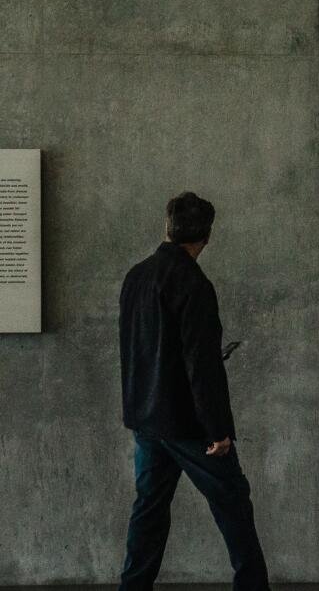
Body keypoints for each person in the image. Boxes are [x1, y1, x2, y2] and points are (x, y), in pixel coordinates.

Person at [118, 192, 269, 590]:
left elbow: (138, 348)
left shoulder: (136, 276)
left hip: (146, 418)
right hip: (187, 424)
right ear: (207, 236)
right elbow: (201, 366)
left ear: (167, 226)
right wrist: (218, 430)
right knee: (232, 502)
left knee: (148, 510)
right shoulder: (193, 283)